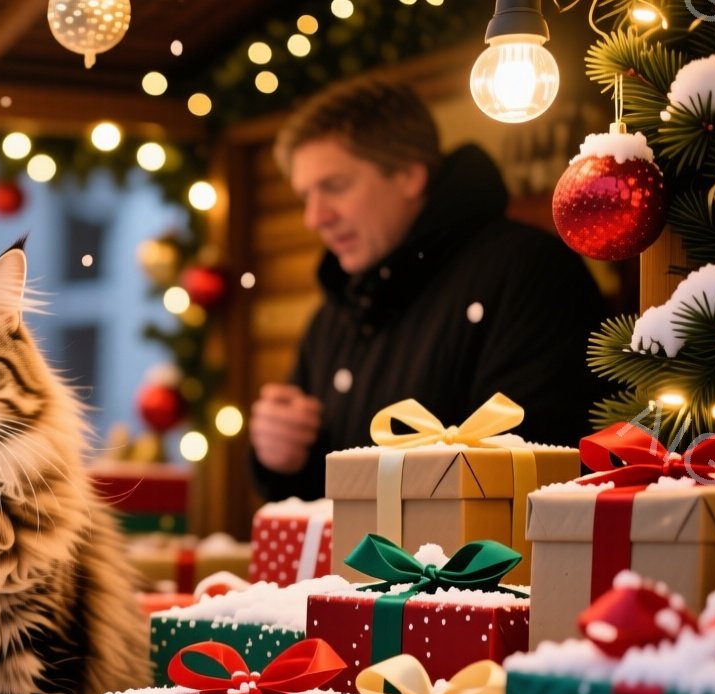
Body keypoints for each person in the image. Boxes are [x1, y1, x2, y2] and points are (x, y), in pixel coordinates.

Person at [250, 77, 611, 501]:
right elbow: (319, 503)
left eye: (334, 186)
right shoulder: (334, 316)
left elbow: (542, 474)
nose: (314, 217)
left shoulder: (527, 272)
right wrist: (279, 457)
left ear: (408, 175)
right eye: (305, 195)